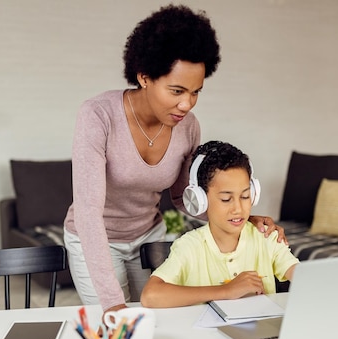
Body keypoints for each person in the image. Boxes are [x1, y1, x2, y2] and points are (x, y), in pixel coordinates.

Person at [63, 4, 286, 314]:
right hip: (97, 239)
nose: (186, 104)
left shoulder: (188, 126)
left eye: (196, 92)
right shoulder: (98, 115)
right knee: (123, 326)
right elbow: (88, 212)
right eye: (177, 90)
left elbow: (185, 199)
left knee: (161, 319)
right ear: (143, 77)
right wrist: (113, 305)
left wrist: (242, 218)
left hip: (149, 236)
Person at [140, 141, 298, 308]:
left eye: (245, 196)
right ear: (200, 200)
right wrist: (226, 290)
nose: (238, 208)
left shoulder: (266, 237)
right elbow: (150, 296)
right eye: (226, 199)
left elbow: (306, 279)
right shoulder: (189, 246)